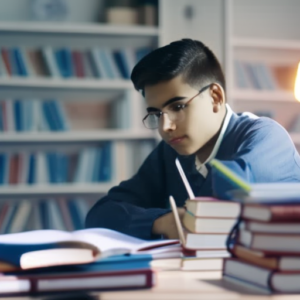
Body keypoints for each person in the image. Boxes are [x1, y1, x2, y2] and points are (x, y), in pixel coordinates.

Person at [85, 39, 300, 240]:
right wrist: (161, 222)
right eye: (156, 114)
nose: (165, 126)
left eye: (178, 107)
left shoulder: (266, 138)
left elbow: (220, 211)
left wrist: (171, 219)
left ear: (216, 98)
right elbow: (101, 214)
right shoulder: (170, 152)